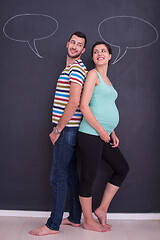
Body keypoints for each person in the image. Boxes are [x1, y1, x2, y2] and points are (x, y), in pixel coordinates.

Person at [29, 32, 87, 236]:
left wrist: (57, 130)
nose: (74, 46)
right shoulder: (70, 68)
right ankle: (74, 218)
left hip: (66, 130)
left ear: (83, 50)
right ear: (67, 44)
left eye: (79, 45)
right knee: (70, 175)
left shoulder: (77, 69)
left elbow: (74, 102)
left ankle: (52, 225)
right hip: (68, 130)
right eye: (73, 42)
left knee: (58, 177)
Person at [77, 41, 129, 232]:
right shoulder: (92, 75)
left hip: (104, 134)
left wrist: (112, 132)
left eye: (103, 51)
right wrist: (101, 130)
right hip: (90, 134)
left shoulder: (107, 80)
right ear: (93, 57)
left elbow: (105, 107)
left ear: (109, 56)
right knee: (88, 177)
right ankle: (88, 221)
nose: (99, 53)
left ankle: (102, 209)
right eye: (96, 51)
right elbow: (84, 105)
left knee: (122, 168)